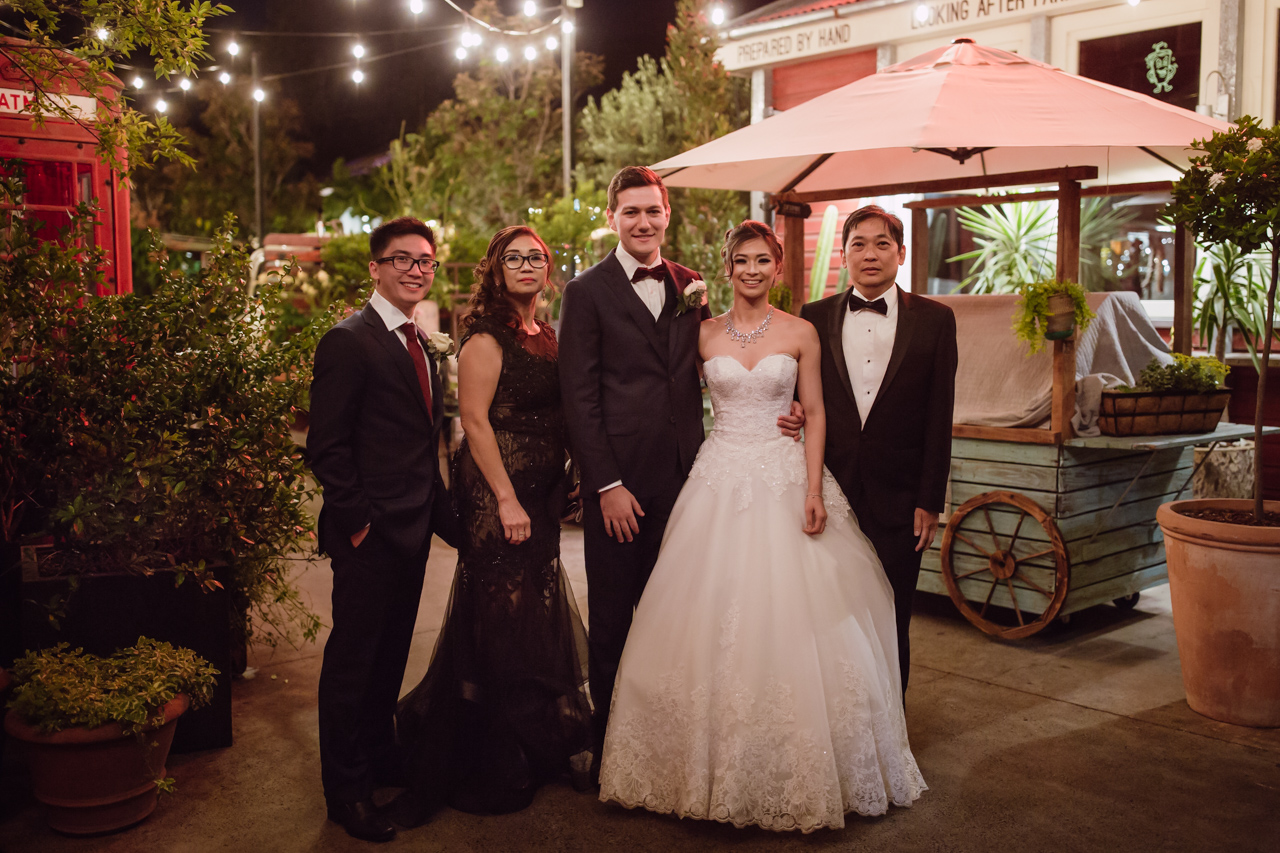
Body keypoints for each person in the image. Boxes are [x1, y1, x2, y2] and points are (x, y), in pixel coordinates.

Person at [598, 221, 926, 832]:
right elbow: (667, 400)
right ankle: (702, 764)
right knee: (704, 618)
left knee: (797, 617)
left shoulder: (801, 332)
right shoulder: (698, 335)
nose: (752, 270)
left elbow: (818, 410)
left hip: (783, 476)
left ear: (779, 268)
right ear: (726, 268)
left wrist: (810, 487)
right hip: (717, 477)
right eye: (741, 260)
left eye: (763, 261)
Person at [557, 167, 802, 778]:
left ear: (667, 215)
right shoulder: (585, 292)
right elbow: (578, 398)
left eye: (653, 211)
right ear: (612, 217)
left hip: (692, 481)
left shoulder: (690, 285)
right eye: (630, 212)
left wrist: (786, 402)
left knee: (682, 617)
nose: (643, 222)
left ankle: (671, 744)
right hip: (620, 485)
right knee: (614, 618)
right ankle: (612, 748)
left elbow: (725, 358)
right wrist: (606, 485)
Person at [393, 226, 593, 824]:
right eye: (515, 257)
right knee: (499, 617)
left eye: (536, 257)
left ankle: (530, 743)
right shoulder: (484, 337)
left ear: (547, 267)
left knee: (533, 610)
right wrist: (507, 500)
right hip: (496, 492)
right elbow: (474, 423)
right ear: (496, 270)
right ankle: (489, 754)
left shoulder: (549, 336)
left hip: (544, 492)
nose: (527, 265)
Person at [308, 217, 457, 843]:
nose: (416, 269)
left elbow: (421, 444)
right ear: (375, 268)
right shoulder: (349, 340)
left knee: (392, 652)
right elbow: (327, 448)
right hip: (369, 536)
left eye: (424, 261)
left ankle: (378, 755)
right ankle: (345, 791)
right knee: (353, 664)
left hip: (413, 529)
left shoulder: (419, 341)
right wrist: (361, 525)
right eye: (401, 259)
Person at [801, 205, 958, 692]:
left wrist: (929, 500)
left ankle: (894, 732)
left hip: (901, 499)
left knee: (892, 617)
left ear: (902, 253)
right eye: (858, 245)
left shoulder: (936, 320)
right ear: (844, 255)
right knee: (828, 617)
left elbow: (939, 415)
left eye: (882, 243)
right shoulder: (813, 317)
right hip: (831, 491)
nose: (870, 254)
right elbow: (801, 400)